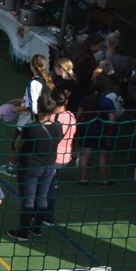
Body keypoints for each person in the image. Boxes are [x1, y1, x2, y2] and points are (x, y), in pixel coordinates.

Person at [7, 95, 64, 241]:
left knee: (28, 200)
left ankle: (23, 232)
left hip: (30, 167)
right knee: (42, 197)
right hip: (49, 166)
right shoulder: (58, 127)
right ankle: (36, 228)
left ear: (38, 109)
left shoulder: (31, 128)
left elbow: (18, 146)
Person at [76, 75, 122, 186]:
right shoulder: (107, 102)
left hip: (86, 129)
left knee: (85, 155)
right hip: (100, 131)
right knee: (102, 155)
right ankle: (104, 181)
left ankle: (83, 180)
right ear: (105, 88)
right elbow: (111, 121)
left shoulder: (85, 99)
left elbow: (78, 115)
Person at [45, 90, 78, 226]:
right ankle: (46, 215)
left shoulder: (52, 118)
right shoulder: (71, 116)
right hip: (65, 157)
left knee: (47, 188)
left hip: (53, 157)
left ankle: (47, 216)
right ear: (66, 101)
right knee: (51, 185)